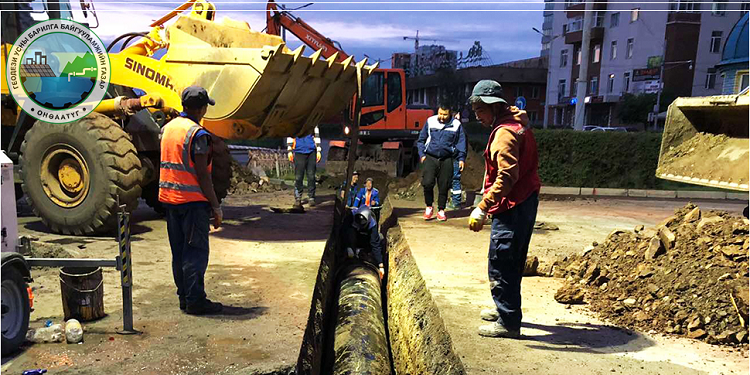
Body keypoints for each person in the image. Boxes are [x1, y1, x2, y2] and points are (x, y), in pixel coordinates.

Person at [467, 80, 540, 338]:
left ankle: (508, 322)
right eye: (475, 110)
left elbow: (507, 175)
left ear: (494, 106)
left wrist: (483, 207)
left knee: (501, 262)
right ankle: (505, 309)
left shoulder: (504, 134)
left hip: (512, 203)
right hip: (524, 200)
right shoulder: (517, 123)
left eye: (480, 110)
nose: (477, 116)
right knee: (513, 260)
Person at [159, 86, 223, 315]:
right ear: (203, 108)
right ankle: (196, 301)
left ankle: (184, 298)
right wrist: (215, 206)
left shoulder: (167, 129)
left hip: (169, 201)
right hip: (192, 202)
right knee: (195, 252)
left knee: (179, 252)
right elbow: (203, 175)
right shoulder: (198, 134)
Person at [416, 102, 467, 222]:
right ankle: (429, 206)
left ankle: (441, 210)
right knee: (427, 183)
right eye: (440, 113)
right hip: (430, 157)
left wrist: (461, 159)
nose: (442, 116)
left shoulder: (456, 125)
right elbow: (421, 140)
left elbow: (461, 143)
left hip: (447, 159)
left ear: (450, 114)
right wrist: (422, 155)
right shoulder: (430, 121)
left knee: (444, 185)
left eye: (445, 114)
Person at [342, 206, 385, 279]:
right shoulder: (350, 217)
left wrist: (380, 265)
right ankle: (351, 256)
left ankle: (362, 253)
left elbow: (375, 244)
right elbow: (342, 233)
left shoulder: (372, 224)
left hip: (365, 241)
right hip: (352, 238)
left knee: (380, 238)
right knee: (350, 233)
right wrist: (348, 246)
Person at [287, 126, 321, 207]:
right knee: (298, 177)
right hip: (299, 152)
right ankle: (298, 198)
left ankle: (311, 197)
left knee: (311, 176)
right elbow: (290, 134)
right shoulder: (296, 121)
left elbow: (316, 135)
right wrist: (290, 150)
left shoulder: (313, 123)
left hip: (311, 152)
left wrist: (318, 150)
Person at [450, 112, 468, 210]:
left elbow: (462, 144)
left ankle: (456, 202)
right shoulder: (458, 127)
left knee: (455, 179)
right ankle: (454, 200)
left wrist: (461, 158)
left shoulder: (458, 128)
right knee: (453, 179)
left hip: (455, 157)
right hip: (455, 156)